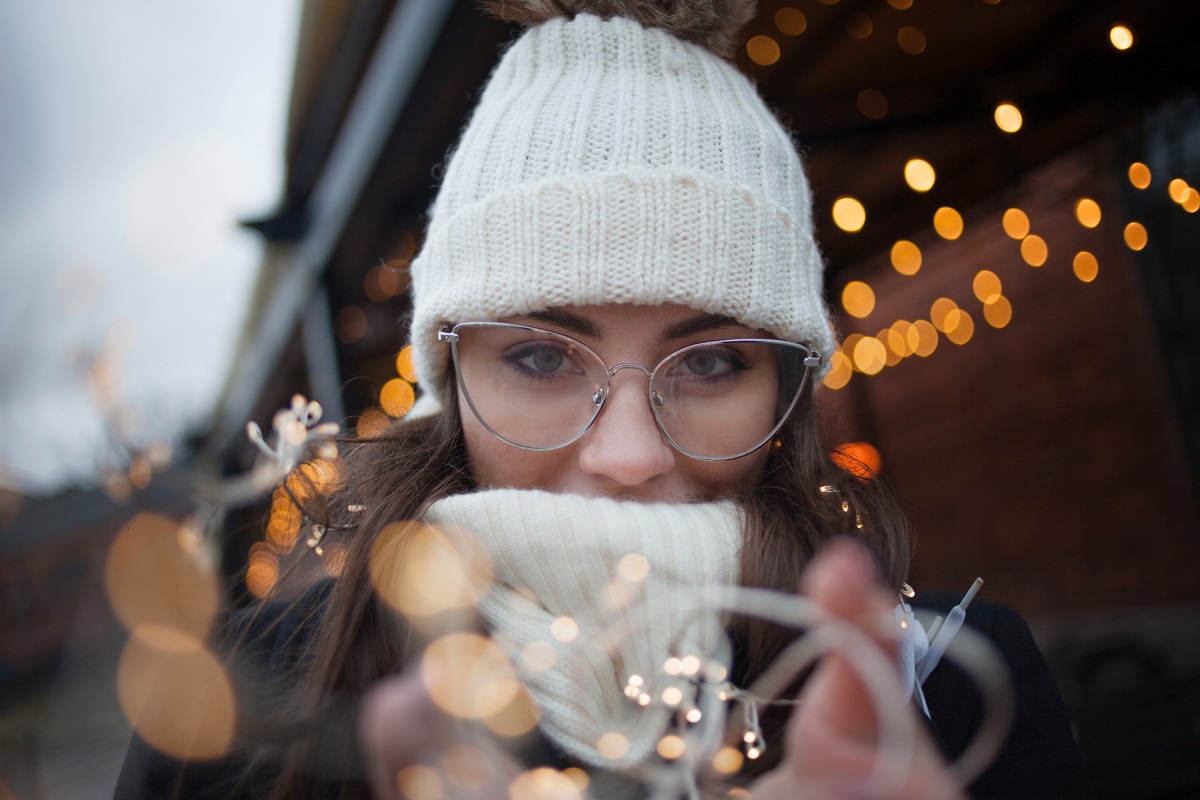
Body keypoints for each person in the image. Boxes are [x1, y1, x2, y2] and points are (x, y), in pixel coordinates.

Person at [116, 2, 1091, 798]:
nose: (629, 456)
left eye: (711, 364)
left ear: (787, 396)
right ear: (449, 381)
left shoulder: (936, 687)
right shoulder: (238, 706)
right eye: (542, 356)